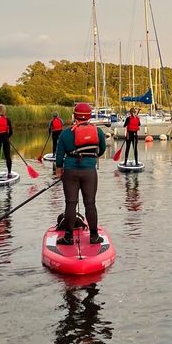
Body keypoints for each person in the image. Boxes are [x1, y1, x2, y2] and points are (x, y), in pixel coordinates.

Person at [54, 102, 108, 245]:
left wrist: (59, 170)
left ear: (75, 115)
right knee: (90, 204)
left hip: (70, 171)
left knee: (71, 203)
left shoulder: (66, 133)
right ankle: (94, 236)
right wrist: (90, 158)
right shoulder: (98, 131)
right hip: (89, 171)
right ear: (89, 116)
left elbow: (59, 155)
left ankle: (68, 237)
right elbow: (101, 150)